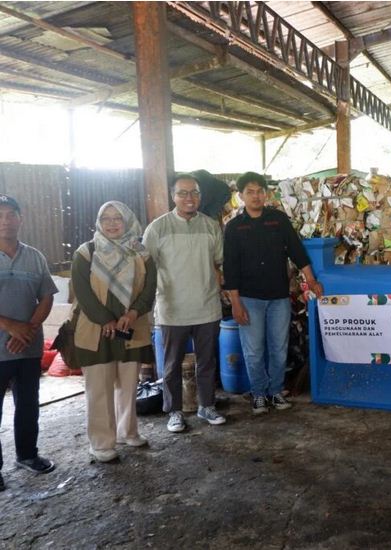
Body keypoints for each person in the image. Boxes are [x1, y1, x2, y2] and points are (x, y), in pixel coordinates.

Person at [223, 172, 323, 414]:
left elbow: (297, 251)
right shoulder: (234, 227)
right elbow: (230, 267)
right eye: (250, 192)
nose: (256, 196)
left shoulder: (278, 220)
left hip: (278, 297)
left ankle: (276, 391)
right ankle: (259, 394)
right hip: (249, 298)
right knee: (254, 350)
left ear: (266, 194)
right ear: (241, 196)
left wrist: (311, 280)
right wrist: (235, 303)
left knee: (279, 348)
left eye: (260, 191)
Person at [71, 201, 157, 462]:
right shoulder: (86, 253)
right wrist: (105, 319)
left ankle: (127, 432)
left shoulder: (141, 253)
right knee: (99, 388)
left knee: (128, 384)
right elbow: (82, 292)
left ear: (127, 221)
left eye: (117, 218)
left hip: (131, 327)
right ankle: (101, 443)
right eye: (105, 218)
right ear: (98, 222)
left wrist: (133, 314)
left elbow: (149, 289)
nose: (111, 223)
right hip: (96, 330)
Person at [143, 174, 226, 433]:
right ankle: (174, 412)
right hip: (172, 308)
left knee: (207, 361)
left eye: (194, 192)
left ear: (200, 196)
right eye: (183, 193)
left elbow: (218, 263)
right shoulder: (158, 228)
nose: (189, 198)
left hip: (206, 306)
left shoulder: (210, 226)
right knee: (171, 365)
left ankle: (207, 406)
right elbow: (145, 267)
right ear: (173, 196)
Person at [0, 194, 57, 490]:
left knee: (28, 404)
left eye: (11, 214)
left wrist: (29, 330)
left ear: (20, 219)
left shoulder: (35, 256)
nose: (5, 221)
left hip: (29, 347)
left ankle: (27, 455)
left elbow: (46, 296)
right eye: (0, 215)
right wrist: (11, 326)